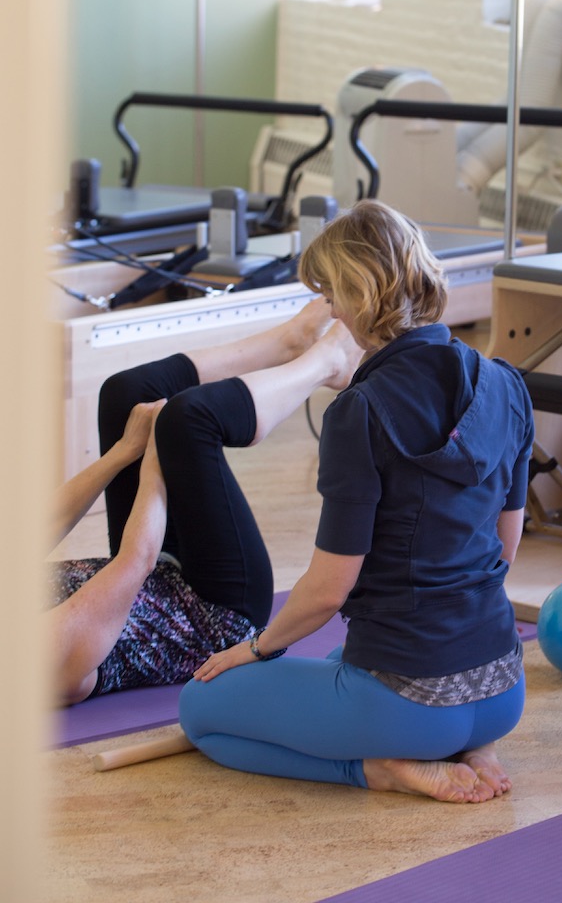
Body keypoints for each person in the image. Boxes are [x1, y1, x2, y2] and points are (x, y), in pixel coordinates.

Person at [179, 199, 535, 804]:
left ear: (359, 296)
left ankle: (382, 769)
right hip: (502, 689)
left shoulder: (359, 412)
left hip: (409, 708)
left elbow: (325, 592)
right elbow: (505, 546)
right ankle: (471, 745)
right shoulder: (506, 383)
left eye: (330, 295)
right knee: (345, 655)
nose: (329, 312)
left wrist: (254, 649)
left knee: (200, 710)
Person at [49, 300, 360, 706]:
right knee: (185, 420)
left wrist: (124, 452)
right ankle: (328, 362)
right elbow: (134, 561)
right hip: (212, 612)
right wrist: (155, 459)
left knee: (124, 394)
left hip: (151, 573)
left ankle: (287, 342)